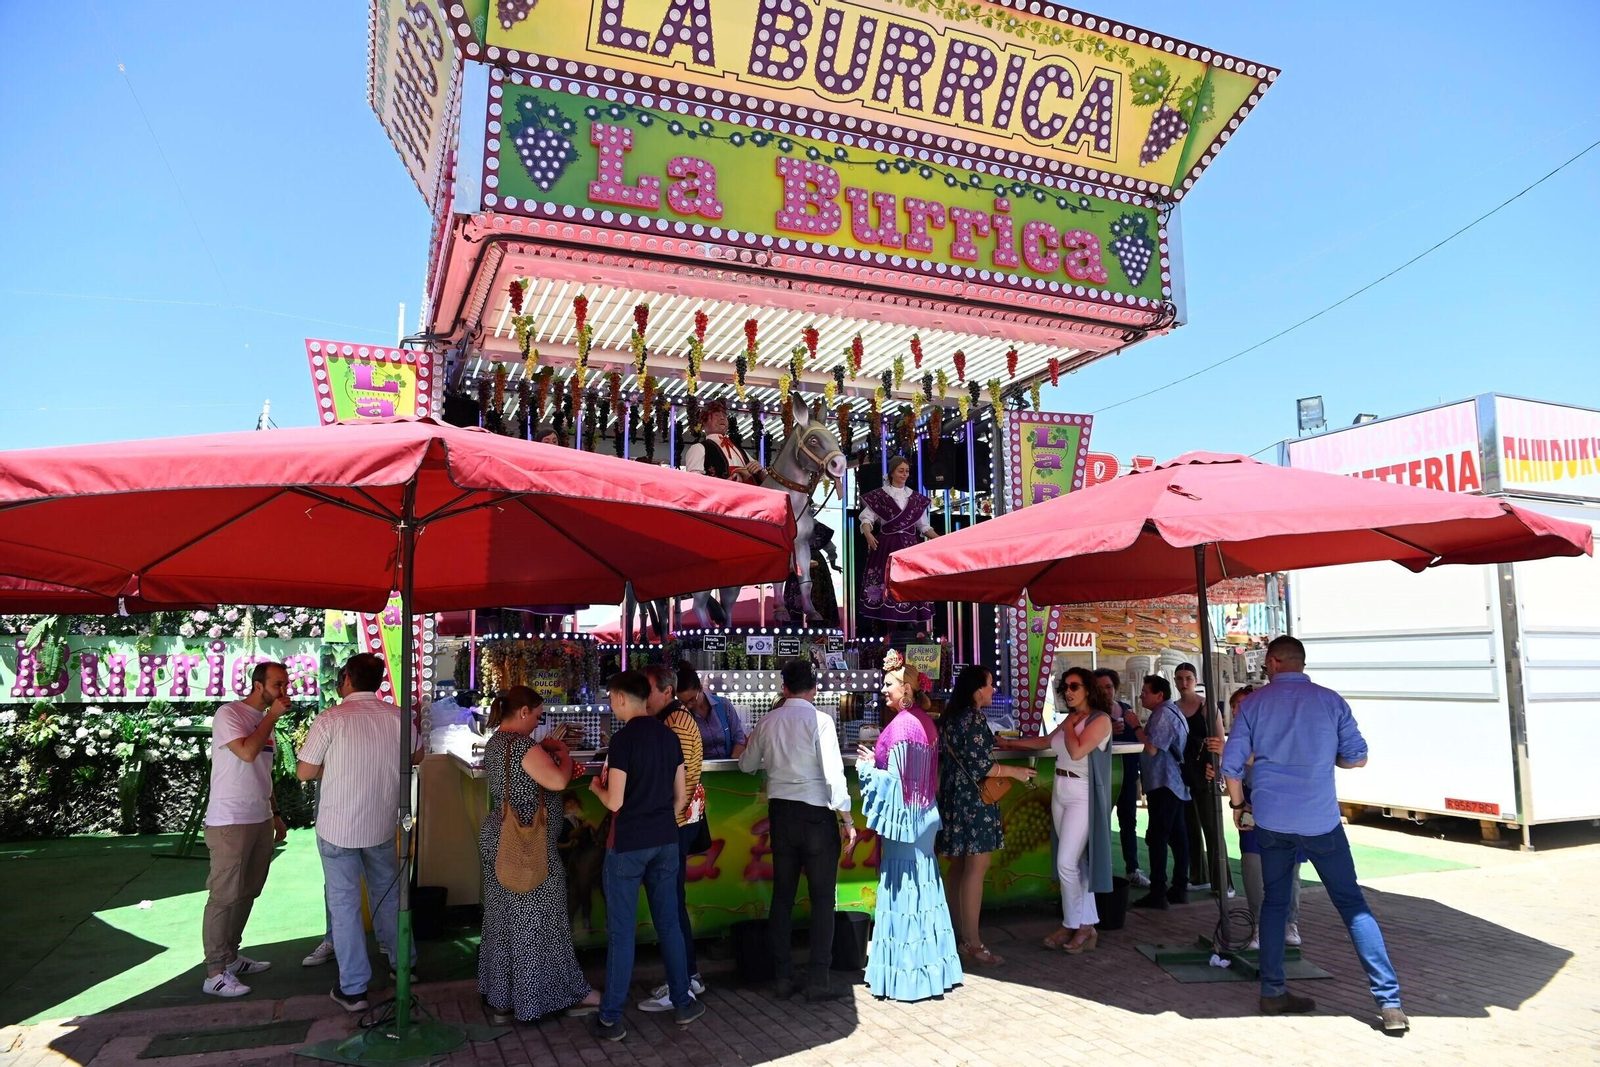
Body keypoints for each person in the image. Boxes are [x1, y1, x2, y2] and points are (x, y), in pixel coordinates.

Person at [1222, 636, 1407, 1031]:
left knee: (1274, 904)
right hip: (1320, 821)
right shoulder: (1331, 701)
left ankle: (1273, 991)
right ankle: (1389, 1003)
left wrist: (1238, 806)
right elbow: (1358, 758)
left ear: (1274, 662)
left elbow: (1231, 765)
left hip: (1271, 821)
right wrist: (1327, 756)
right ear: (1301, 663)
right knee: (1353, 906)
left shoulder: (1253, 705)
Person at [295, 653, 423, 1013]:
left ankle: (354, 989)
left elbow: (304, 772)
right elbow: (418, 757)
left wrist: (337, 765)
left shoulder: (331, 718)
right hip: (380, 823)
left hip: (338, 827)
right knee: (389, 895)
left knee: (345, 906)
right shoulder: (399, 717)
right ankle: (405, 965)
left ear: (348, 679)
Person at [587, 671, 705, 1041]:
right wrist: (662, 822)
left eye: (611, 698)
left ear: (622, 698)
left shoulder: (623, 740)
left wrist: (595, 788)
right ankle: (683, 1004)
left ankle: (610, 1018)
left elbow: (615, 801)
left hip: (628, 845)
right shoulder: (668, 736)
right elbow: (681, 796)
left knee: (621, 933)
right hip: (666, 841)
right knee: (669, 924)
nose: (611, 704)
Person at [473, 685, 599, 1024]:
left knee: (503, 920)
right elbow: (557, 781)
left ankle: (502, 997)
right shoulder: (521, 745)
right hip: (528, 846)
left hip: (500, 838)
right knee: (540, 920)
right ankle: (548, 996)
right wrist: (563, 753)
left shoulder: (497, 741)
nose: (538, 723)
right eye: (538, 717)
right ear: (524, 712)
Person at [739, 660, 855, 1000]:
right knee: (823, 900)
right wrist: (847, 820)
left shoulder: (768, 720)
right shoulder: (821, 721)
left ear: (784, 687)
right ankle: (818, 979)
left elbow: (746, 765)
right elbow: (834, 777)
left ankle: (783, 976)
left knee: (782, 897)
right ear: (814, 689)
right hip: (817, 817)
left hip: (781, 816)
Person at [855, 650, 962, 1000]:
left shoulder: (901, 725)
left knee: (904, 893)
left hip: (906, 823)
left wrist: (867, 769)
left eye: (889, 683)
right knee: (924, 890)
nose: (883, 689)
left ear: (907, 689)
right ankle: (932, 972)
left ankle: (906, 978)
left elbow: (895, 785)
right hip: (924, 815)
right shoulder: (924, 721)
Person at [998, 667, 1113, 952]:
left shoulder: (1100, 720)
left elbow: (1077, 751)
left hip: (1082, 793)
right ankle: (1086, 925)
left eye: (1074, 686)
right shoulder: (1071, 720)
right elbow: (1046, 741)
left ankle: (1072, 924)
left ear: (1088, 689)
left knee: (1066, 863)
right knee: (1076, 863)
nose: (1068, 692)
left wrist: (1071, 722)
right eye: (1065, 687)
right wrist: (1009, 743)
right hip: (1061, 789)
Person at [200, 661, 290, 998]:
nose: (283, 691)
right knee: (224, 896)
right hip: (230, 820)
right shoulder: (230, 714)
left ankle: (231, 957)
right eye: (278, 684)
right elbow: (248, 753)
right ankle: (214, 973)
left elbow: (263, 773)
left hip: (260, 818)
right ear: (258, 685)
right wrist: (271, 718)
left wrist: (275, 813)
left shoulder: (265, 720)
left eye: (285, 684)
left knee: (249, 891)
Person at [936, 665, 1037, 965]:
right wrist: (1014, 771)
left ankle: (956, 934)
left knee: (959, 866)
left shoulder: (951, 717)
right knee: (977, 867)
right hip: (975, 799)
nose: (993, 689)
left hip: (954, 796)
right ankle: (972, 941)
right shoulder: (974, 717)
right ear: (977, 689)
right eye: (990, 684)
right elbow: (981, 765)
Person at [1207, 686, 1304, 951]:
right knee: (1252, 866)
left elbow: (1273, 762)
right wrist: (1217, 769)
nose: (1239, 709)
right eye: (1235, 705)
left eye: (1244, 703)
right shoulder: (1237, 737)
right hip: (1252, 803)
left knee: (1290, 868)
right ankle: (1260, 925)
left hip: (1286, 803)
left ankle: (1290, 922)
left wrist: (1231, 752)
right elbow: (1231, 771)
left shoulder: (1278, 729)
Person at [636, 665, 709, 1013]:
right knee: (672, 903)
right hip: (676, 822)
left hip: (674, 823)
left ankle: (684, 982)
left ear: (667, 691)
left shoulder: (675, 724)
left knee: (670, 905)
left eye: (647, 690)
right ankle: (687, 977)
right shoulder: (672, 720)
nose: (642, 697)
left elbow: (669, 778)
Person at [685, 401, 763, 626]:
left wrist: (759, 472)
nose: (722, 418)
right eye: (716, 415)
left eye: (724, 415)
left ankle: (727, 619)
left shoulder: (741, 451)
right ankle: (702, 612)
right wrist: (728, 482)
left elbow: (763, 483)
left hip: (742, 516)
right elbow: (694, 483)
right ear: (704, 422)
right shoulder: (699, 448)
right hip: (715, 518)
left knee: (736, 571)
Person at [1127, 674, 1191, 910]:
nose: (1141, 696)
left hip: (1165, 782)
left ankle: (1158, 891)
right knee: (1177, 836)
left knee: (1158, 837)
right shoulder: (1172, 711)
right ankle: (1179, 887)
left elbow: (1152, 749)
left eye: (1145, 692)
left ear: (1159, 695)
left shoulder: (1164, 714)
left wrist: (1135, 725)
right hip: (1172, 783)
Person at [858, 455, 937, 633]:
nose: (904, 474)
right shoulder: (880, 496)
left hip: (910, 548)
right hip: (887, 547)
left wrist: (940, 539)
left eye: (907, 471)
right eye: (901, 471)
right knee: (887, 583)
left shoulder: (916, 499)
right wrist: (868, 534)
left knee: (911, 583)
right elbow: (867, 519)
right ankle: (890, 631)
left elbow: (924, 527)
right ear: (892, 472)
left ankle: (910, 629)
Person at [1175, 662, 1232, 894]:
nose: (1184, 682)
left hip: (1206, 772)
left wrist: (1216, 768)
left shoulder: (1207, 706)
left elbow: (1219, 741)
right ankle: (1198, 876)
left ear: (1196, 679)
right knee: (1190, 826)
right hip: (1183, 773)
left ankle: (1224, 883)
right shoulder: (1174, 708)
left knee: (1212, 827)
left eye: (1188, 678)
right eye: (1180, 678)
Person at [1095, 667, 1148, 889]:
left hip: (1128, 774)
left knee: (1128, 822)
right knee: (1100, 823)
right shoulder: (1091, 715)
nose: (1106, 692)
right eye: (1100, 688)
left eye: (1109, 687)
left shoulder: (1126, 710)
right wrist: (1106, 732)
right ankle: (1100, 870)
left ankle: (1132, 869)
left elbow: (1139, 739)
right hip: (1102, 776)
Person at [677, 662, 746, 760]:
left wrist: (730, 763)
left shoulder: (723, 705)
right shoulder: (681, 716)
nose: (688, 705)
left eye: (692, 699)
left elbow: (739, 739)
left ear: (700, 688)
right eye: (683, 702)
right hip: (699, 768)